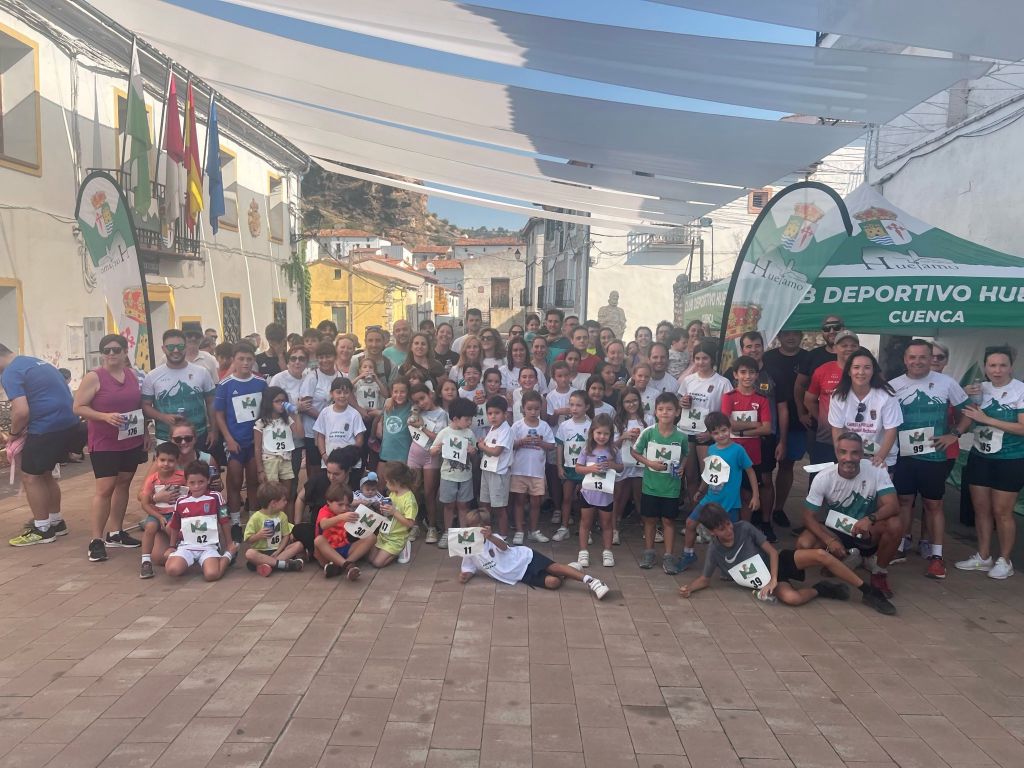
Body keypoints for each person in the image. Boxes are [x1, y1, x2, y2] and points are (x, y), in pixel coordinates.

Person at [678, 504, 895, 614]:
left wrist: (773, 579)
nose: (728, 530)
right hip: (766, 580)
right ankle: (822, 589)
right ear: (712, 532)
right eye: (721, 529)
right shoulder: (714, 550)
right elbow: (705, 579)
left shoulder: (743, 527)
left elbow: (772, 552)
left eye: (727, 524)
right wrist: (689, 588)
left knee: (821, 555)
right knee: (793, 599)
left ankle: (869, 591)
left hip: (778, 563)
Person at [889, 339, 970, 579]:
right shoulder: (893, 386)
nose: (917, 361)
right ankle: (899, 545)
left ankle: (936, 556)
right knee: (904, 501)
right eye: (912, 357)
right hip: (904, 455)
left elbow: (968, 412)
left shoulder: (947, 383)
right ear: (905, 360)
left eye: (923, 357)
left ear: (930, 358)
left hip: (934, 456)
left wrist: (954, 434)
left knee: (933, 504)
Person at [797, 432, 903, 599]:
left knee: (895, 524)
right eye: (843, 452)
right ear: (836, 453)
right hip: (836, 529)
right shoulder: (823, 477)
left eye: (855, 452)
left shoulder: (876, 469)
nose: (849, 458)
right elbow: (808, 516)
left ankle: (879, 573)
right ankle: (845, 557)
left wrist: (870, 519)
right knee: (803, 544)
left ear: (862, 454)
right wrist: (829, 540)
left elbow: (893, 506)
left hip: (868, 530)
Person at [73, 332, 146, 562]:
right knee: (105, 488)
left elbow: (138, 406)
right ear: (102, 354)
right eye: (107, 350)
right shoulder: (94, 377)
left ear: (125, 352)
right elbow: (78, 407)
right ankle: (96, 540)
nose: (111, 354)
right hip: (105, 442)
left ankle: (116, 532)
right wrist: (104, 416)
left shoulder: (132, 375)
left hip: (131, 439)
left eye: (116, 349)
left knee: (124, 483)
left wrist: (145, 432)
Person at [2, 344, 81, 546]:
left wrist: (13, 435)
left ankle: (42, 529)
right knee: (45, 474)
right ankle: (56, 521)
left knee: (30, 477)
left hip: (46, 427)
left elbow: (21, 411)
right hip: (68, 423)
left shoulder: (10, 372)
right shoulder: (34, 362)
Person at [956, 346, 1024, 580]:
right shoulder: (980, 389)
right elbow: (966, 416)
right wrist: (963, 393)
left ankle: (1005, 560)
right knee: (981, 509)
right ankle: (983, 556)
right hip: (980, 456)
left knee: (1002, 512)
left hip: (1010, 459)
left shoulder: (1019, 390)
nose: (997, 370)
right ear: (985, 367)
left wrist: (987, 419)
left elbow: (1023, 428)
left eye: (1002, 365)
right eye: (992, 365)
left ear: (1011, 367)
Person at [458, 509, 609, 600]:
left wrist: (490, 537)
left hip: (524, 558)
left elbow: (503, 547)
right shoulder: (469, 548)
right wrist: (466, 575)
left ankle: (592, 582)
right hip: (519, 575)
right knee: (553, 583)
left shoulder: (494, 538)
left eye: (477, 527)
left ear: (486, 527)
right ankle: (569, 570)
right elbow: (469, 567)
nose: (473, 530)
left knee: (554, 567)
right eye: (470, 527)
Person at [681, 411, 758, 571]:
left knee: (730, 534)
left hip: (730, 502)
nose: (721, 435)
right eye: (716, 433)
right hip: (710, 499)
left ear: (730, 428)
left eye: (724, 430)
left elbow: (750, 471)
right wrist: (701, 490)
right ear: (710, 434)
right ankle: (688, 554)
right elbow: (709, 472)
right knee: (690, 523)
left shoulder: (738, 450)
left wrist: (755, 496)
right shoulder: (711, 450)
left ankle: (732, 565)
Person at [214, 342, 267, 541]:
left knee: (253, 480)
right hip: (235, 442)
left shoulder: (261, 383)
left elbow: (266, 411)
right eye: (241, 359)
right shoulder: (225, 384)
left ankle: (253, 520)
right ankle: (235, 522)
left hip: (255, 442)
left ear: (254, 360)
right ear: (233, 360)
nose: (245, 363)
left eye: (249, 359)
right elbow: (219, 414)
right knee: (235, 481)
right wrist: (228, 438)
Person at [632, 392, 686, 573]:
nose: (665, 413)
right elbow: (635, 452)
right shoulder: (648, 432)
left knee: (668, 521)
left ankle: (668, 556)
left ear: (677, 412)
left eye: (669, 409)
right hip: (651, 486)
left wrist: (682, 467)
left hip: (671, 487)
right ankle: (649, 552)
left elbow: (685, 454)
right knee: (650, 520)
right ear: (655, 412)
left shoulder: (681, 436)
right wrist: (649, 463)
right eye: (661, 409)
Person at [762, 330, 810, 528]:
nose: (791, 337)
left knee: (787, 465)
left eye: (795, 334)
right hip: (766, 421)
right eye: (786, 334)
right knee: (763, 469)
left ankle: (778, 508)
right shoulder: (768, 357)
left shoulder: (808, 358)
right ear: (779, 337)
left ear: (801, 336)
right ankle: (761, 508)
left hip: (797, 421)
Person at [142, 329, 217, 449]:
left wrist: (213, 430)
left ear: (186, 347)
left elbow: (211, 402)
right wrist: (163, 417)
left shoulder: (202, 372)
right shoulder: (152, 376)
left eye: (180, 346)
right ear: (163, 349)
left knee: (199, 462)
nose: (176, 350)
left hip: (197, 435)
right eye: (170, 347)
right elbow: (145, 406)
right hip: (165, 437)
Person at [828, 347, 902, 469]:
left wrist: (880, 458)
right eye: (856, 367)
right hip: (851, 456)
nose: (861, 372)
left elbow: (891, 430)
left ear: (873, 371)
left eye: (867, 367)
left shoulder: (886, 395)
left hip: (882, 457)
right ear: (849, 371)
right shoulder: (838, 396)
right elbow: (837, 429)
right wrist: (841, 456)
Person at [678, 340, 731, 505]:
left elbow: (726, 413)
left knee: (707, 476)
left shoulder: (723, 382)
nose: (701, 362)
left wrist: (711, 433)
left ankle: (710, 513)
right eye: (697, 358)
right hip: (687, 431)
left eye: (705, 358)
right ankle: (695, 511)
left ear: (712, 359)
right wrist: (682, 402)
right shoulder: (688, 380)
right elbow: (680, 403)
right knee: (690, 475)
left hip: (708, 434)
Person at [164, 460, 236, 581]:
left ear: (208, 480)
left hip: (209, 546)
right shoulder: (181, 501)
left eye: (201, 482)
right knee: (172, 570)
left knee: (212, 575)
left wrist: (229, 545)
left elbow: (224, 521)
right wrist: (172, 546)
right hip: (187, 546)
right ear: (186, 482)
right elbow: (175, 525)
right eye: (192, 482)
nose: (196, 486)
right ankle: (190, 560)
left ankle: (228, 556)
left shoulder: (216, 497)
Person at [804, 330, 861, 466]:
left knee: (854, 476)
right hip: (826, 439)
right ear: (835, 348)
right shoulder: (822, 370)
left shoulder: (865, 371)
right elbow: (809, 400)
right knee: (821, 476)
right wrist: (824, 419)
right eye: (844, 345)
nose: (849, 348)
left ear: (858, 348)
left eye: (853, 345)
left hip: (858, 440)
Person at [575, 413, 622, 568]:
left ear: (611, 434)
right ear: (592, 432)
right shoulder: (587, 450)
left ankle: (607, 551)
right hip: (588, 493)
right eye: (599, 433)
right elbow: (578, 468)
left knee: (607, 523)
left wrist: (612, 465)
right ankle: (583, 551)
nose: (602, 437)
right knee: (585, 522)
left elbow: (621, 467)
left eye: (606, 434)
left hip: (606, 494)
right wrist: (590, 468)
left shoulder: (614, 450)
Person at [510, 390, 556, 545]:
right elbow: (510, 445)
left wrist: (541, 443)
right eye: (529, 408)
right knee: (519, 502)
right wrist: (521, 442)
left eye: (536, 408)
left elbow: (551, 445)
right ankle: (519, 530)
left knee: (536, 503)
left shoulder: (544, 426)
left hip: (537, 472)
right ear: (523, 408)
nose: (533, 412)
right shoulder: (517, 426)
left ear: (541, 408)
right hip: (519, 470)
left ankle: (533, 530)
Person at [430, 398, 478, 547]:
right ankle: (448, 533)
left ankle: (463, 535)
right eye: (467, 419)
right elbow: (432, 450)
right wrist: (437, 449)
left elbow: (475, 452)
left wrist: (473, 450)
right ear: (455, 419)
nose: (469, 422)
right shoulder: (445, 432)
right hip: (448, 476)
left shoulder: (469, 433)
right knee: (449, 505)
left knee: (463, 505)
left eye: (471, 419)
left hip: (465, 476)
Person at [407, 384, 448, 543]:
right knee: (413, 491)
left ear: (430, 394)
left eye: (422, 398)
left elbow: (439, 437)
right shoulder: (416, 412)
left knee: (430, 493)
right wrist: (414, 415)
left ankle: (432, 527)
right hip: (414, 454)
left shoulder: (441, 414)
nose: (421, 403)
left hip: (431, 456)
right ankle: (415, 525)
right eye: (417, 401)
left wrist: (422, 427)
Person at [138, 441, 183, 578]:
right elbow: (144, 504)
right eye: (162, 460)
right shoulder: (152, 480)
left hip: (176, 514)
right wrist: (158, 517)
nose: (166, 464)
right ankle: (145, 561)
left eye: (171, 461)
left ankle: (180, 550)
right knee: (150, 527)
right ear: (156, 459)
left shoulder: (182, 477)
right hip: (156, 513)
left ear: (177, 461)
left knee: (171, 527)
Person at [300, 341, 344, 481]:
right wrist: (326, 418)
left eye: (328, 356)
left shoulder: (342, 376)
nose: (324, 360)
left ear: (335, 357)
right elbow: (305, 405)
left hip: (336, 432)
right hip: (313, 431)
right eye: (321, 357)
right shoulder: (312, 377)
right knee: (315, 470)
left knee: (334, 467)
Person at [314, 481, 376, 579]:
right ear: (329, 502)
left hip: (345, 549)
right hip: (327, 552)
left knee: (371, 537)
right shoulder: (324, 510)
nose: (344, 508)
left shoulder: (348, 512)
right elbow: (323, 524)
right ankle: (347, 565)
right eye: (340, 504)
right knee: (318, 540)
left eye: (347, 505)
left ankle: (343, 565)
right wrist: (341, 517)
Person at [612, 387, 649, 546]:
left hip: (641, 463)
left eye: (634, 400)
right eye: (627, 401)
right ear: (622, 403)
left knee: (640, 496)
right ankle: (614, 528)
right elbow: (612, 444)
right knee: (618, 496)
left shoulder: (647, 419)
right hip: (622, 462)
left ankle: (647, 527)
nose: (631, 404)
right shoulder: (618, 421)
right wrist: (623, 437)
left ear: (639, 401)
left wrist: (641, 438)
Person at [243, 481, 306, 576]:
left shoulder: (282, 516)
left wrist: (279, 550)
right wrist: (258, 535)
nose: (286, 502)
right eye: (283, 500)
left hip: (278, 551)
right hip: (261, 551)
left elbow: (286, 535)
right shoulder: (255, 518)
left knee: (298, 545)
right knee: (249, 553)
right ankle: (283, 564)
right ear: (273, 503)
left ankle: (269, 565)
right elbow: (248, 539)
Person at [269, 345, 310, 486]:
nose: (297, 362)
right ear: (288, 361)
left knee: (293, 475)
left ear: (306, 362)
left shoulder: (308, 379)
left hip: (298, 434)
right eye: (293, 358)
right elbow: (271, 404)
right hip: (279, 434)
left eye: (301, 359)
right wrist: (296, 408)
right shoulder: (278, 379)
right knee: (275, 477)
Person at [555, 390, 592, 544]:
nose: (574, 408)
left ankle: (586, 529)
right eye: (572, 405)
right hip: (569, 468)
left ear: (587, 407)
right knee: (567, 498)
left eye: (579, 405)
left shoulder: (591, 426)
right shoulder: (564, 426)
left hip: (585, 469)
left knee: (585, 500)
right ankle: (564, 528)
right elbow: (559, 446)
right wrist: (559, 466)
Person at [476, 395, 514, 536]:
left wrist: (481, 446)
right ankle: (486, 535)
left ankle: (503, 537)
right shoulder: (492, 428)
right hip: (487, 469)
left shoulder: (505, 430)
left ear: (505, 414)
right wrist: (484, 444)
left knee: (499, 507)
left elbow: (496, 451)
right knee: (485, 505)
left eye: (497, 413)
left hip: (499, 473)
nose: (493, 416)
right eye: (490, 413)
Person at [369, 462, 419, 567]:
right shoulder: (393, 493)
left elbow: (410, 524)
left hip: (396, 538)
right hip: (383, 534)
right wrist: (383, 509)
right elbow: (388, 513)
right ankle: (390, 551)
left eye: (387, 481)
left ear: (396, 482)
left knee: (377, 563)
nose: (385, 484)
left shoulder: (409, 499)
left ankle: (402, 548)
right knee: (370, 558)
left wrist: (394, 512)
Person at [313, 378, 366, 475]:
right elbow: (320, 437)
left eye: (346, 392)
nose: (342, 396)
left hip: (350, 463)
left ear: (351, 394)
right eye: (338, 392)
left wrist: (350, 456)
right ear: (331, 393)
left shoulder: (354, 414)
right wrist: (324, 455)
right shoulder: (325, 412)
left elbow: (359, 439)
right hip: (330, 461)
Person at [254, 386, 304, 485]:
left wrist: (296, 414)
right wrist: (260, 470)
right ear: (269, 403)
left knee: (287, 489)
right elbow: (257, 448)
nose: (281, 404)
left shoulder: (288, 420)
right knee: (272, 489)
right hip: (269, 460)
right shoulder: (261, 423)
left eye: (283, 401)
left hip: (286, 459)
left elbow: (300, 434)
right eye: (277, 401)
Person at [376, 377, 413, 473]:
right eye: (395, 392)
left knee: (398, 481)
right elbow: (382, 416)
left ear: (408, 392)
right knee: (380, 479)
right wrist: (380, 424)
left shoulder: (412, 406)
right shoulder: (388, 403)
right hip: (385, 452)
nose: (399, 395)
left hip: (403, 454)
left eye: (402, 392)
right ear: (391, 392)